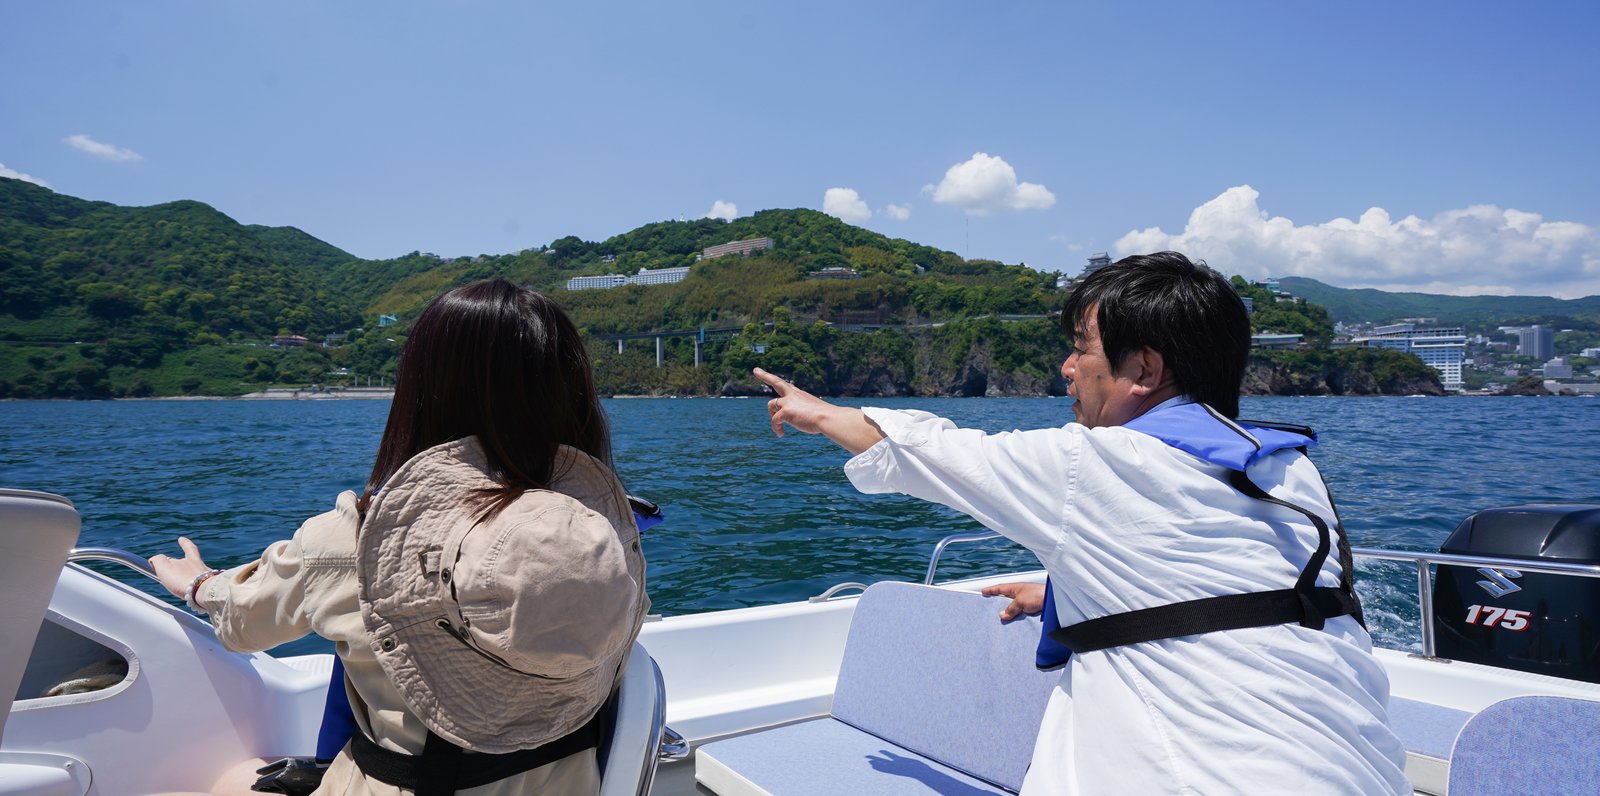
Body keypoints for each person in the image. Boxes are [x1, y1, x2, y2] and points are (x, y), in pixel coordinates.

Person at [754, 251, 1409, 794]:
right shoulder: (1289, 472)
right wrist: (1067, 590)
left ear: (1144, 369)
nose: (1067, 369)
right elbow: (1237, 588)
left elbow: (931, 451)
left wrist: (816, 412)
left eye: (1080, 350)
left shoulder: (1094, 465)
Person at [151, 279, 648, 796]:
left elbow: (245, 624)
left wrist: (200, 583)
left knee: (224, 780)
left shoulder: (351, 541)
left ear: (420, 389)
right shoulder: (597, 535)